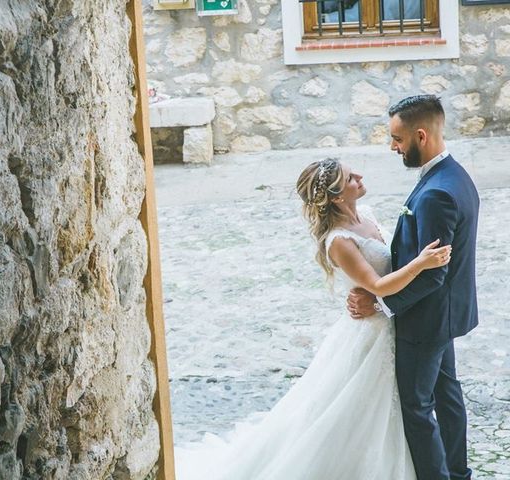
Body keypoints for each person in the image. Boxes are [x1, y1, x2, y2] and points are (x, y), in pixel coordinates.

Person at [174, 157, 452, 480]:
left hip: (386, 322)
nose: (359, 176)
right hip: (370, 334)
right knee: (359, 414)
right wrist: (421, 263)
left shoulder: (368, 215)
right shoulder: (339, 241)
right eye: (350, 178)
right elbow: (376, 285)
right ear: (336, 197)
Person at [347, 95, 479, 480]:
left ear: (421, 135)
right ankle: (457, 472)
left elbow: (433, 273)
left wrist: (383, 305)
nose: (393, 147)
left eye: (398, 139)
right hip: (447, 312)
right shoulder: (454, 174)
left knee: (417, 407)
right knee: (447, 395)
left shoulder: (437, 193)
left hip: (426, 317)